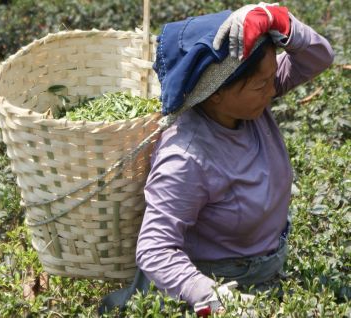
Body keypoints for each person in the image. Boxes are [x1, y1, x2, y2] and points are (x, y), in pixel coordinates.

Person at [99, 2, 334, 316]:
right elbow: (154, 250)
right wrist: (213, 297)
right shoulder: (185, 158)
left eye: (271, 77)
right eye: (262, 84)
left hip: (267, 264)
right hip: (223, 280)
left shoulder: (248, 102)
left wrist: (282, 23)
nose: (273, 88)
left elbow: (319, 57)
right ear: (215, 92)